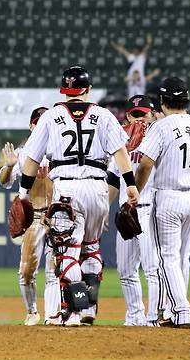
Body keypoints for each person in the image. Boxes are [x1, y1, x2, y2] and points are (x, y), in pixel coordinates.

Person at [16, 66, 139, 326]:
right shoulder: (105, 115)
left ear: (64, 90)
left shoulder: (51, 117)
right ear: (88, 90)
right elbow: (120, 154)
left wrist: (23, 193)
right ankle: (89, 309)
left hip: (67, 188)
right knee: (92, 249)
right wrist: (130, 185)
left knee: (68, 252)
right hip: (98, 187)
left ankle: (74, 311)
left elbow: (31, 160)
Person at [134, 77, 190, 329]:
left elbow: (145, 164)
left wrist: (135, 190)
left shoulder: (161, 127)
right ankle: (171, 308)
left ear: (163, 101)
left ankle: (181, 310)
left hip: (168, 196)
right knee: (182, 257)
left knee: (167, 257)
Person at [0, 107, 61, 326]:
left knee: (56, 270)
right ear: (31, 125)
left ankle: (53, 315)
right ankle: (32, 311)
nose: (41, 126)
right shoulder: (23, 153)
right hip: (33, 217)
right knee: (26, 270)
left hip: (58, 216)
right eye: (37, 122)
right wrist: (9, 165)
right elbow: (5, 181)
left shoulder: (61, 150)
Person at [110, 95, 161, 327]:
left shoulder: (161, 137)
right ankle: (134, 317)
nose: (140, 118)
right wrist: (103, 211)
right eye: (135, 114)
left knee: (152, 269)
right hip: (126, 210)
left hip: (151, 209)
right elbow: (112, 178)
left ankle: (154, 317)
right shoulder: (119, 142)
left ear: (153, 114)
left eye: (144, 113)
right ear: (128, 116)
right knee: (126, 269)